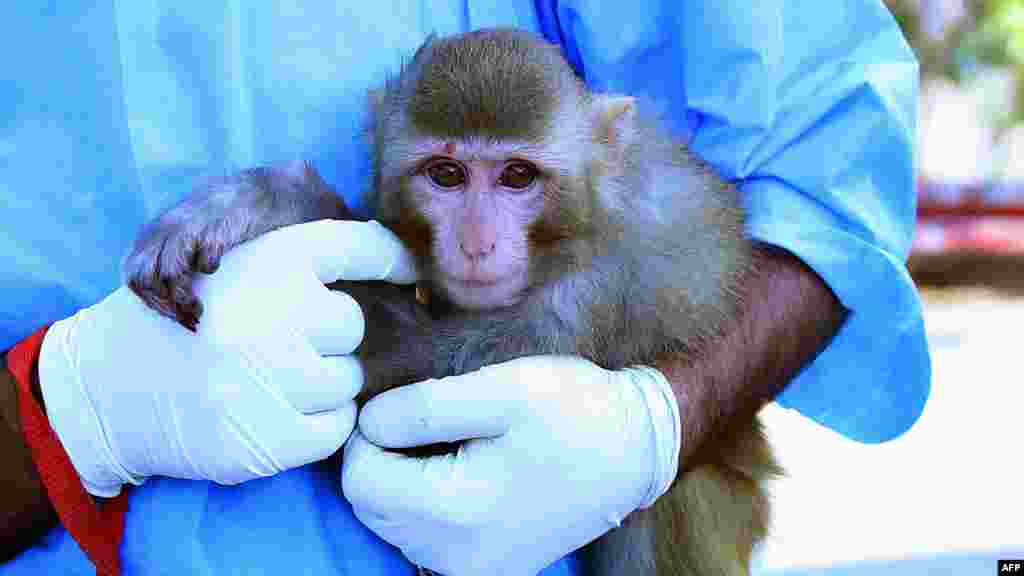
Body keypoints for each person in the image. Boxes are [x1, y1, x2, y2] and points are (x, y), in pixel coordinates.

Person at [0, 1, 931, 575]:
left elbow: (826, 177)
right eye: (443, 178)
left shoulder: (616, 232)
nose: (483, 241)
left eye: (519, 180)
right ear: (384, 147)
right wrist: (74, 410)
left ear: (605, 151)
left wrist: (655, 427)